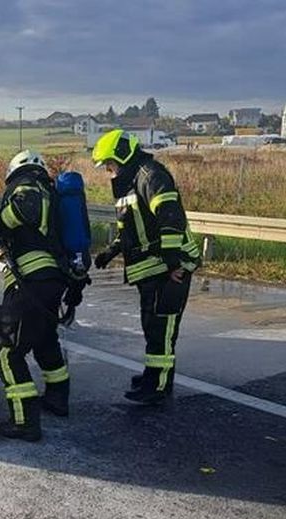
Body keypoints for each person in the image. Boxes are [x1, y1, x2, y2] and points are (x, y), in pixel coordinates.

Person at [91, 130, 201, 405]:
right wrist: (111, 252)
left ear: (121, 156)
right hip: (153, 269)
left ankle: (159, 386)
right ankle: (153, 375)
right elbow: (128, 231)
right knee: (152, 327)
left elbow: (170, 219)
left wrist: (173, 263)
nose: (108, 171)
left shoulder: (151, 177)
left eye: (109, 164)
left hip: (169, 267)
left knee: (161, 329)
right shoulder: (130, 184)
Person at [0, 150, 69, 441]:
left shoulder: (27, 184)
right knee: (45, 340)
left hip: (29, 280)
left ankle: (24, 421)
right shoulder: (52, 192)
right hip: (52, 279)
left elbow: (24, 209)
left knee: (8, 350)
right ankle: (58, 399)